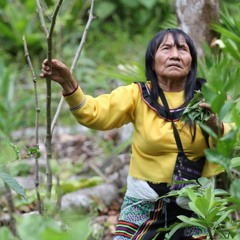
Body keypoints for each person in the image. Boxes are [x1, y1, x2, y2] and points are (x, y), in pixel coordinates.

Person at [40, 28, 230, 239]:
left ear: (191, 61)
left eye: (182, 49)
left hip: (196, 204)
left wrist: (216, 125)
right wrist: (68, 84)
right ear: (152, 61)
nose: (175, 55)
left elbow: (233, 134)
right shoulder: (137, 95)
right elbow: (93, 114)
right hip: (145, 201)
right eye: (166, 49)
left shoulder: (210, 96)